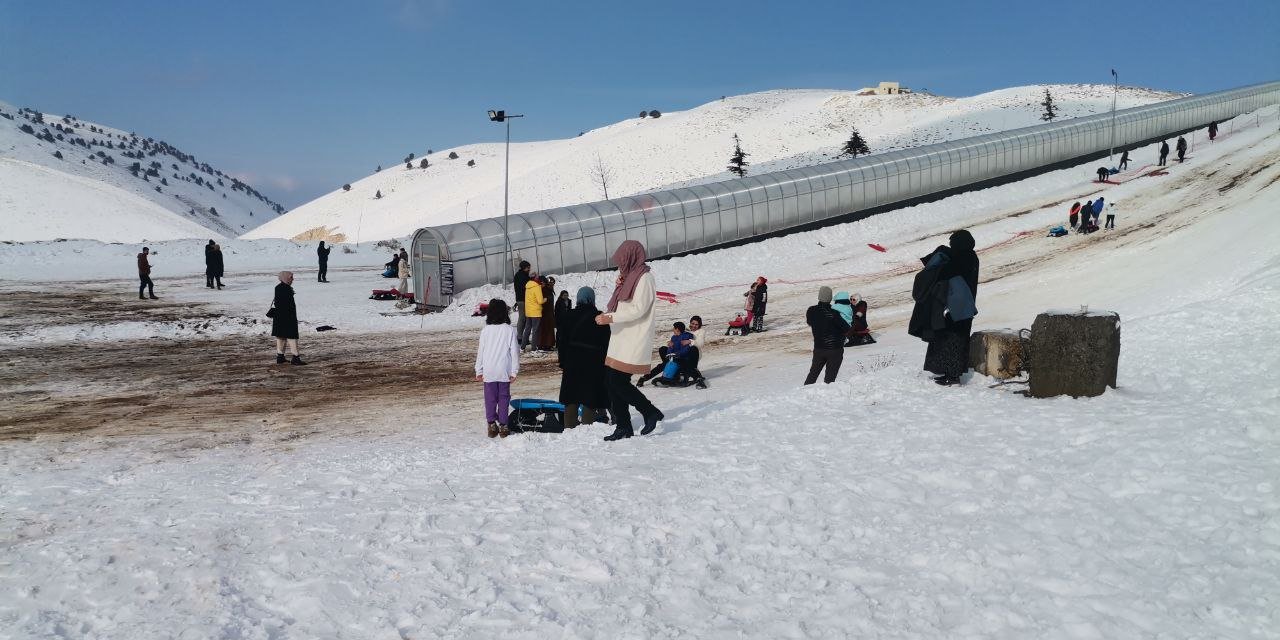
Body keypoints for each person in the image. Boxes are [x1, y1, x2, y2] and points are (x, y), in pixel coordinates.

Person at [595, 240, 663, 440]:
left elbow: (638, 309)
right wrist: (620, 284)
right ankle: (623, 426)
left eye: (621, 261)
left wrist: (610, 318)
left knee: (618, 381)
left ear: (631, 257)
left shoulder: (645, 278)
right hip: (620, 337)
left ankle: (649, 411)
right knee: (610, 381)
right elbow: (622, 303)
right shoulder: (629, 277)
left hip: (634, 337)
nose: (619, 266)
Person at [912, 230, 979, 386]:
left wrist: (941, 255)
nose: (951, 246)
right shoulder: (968, 256)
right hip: (957, 307)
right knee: (948, 340)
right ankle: (948, 373)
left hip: (959, 308)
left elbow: (948, 271)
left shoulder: (966, 257)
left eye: (953, 243)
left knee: (955, 341)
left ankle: (953, 376)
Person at [558, 287, 611, 429]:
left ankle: (569, 427)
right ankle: (587, 427)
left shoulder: (568, 315)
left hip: (571, 360)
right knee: (590, 395)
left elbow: (561, 340)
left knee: (571, 395)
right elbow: (607, 341)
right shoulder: (599, 317)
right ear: (592, 298)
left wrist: (562, 361)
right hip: (593, 362)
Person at [475, 298, 520, 438]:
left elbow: (480, 351)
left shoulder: (486, 331)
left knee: (490, 399)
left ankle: (491, 424)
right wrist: (514, 371)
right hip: (504, 371)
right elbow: (514, 352)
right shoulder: (509, 330)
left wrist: (479, 369)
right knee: (503, 399)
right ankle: (503, 425)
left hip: (489, 370)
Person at [804, 286, 850, 385]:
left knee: (812, 375)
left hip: (819, 348)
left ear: (819, 296)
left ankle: (803, 395)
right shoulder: (834, 313)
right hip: (835, 349)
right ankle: (826, 398)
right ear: (830, 298)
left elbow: (810, 322)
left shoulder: (811, 311)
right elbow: (846, 328)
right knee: (829, 380)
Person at [271, 271, 305, 365]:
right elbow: (286, 304)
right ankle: (295, 358)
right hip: (287, 317)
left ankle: (280, 356)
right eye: (291, 277)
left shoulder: (279, 287)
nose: (292, 279)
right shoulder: (285, 288)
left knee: (281, 336)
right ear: (285, 278)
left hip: (279, 317)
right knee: (292, 337)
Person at [520, 272, 545, 351]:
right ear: (535, 278)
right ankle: (534, 348)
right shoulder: (537, 287)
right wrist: (545, 299)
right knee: (535, 330)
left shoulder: (528, 286)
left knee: (527, 329)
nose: (538, 278)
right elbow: (540, 301)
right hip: (536, 312)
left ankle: (522, 347)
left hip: (529, 312)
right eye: (537, 277)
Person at [513, 260, 532, 346]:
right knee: (523, 318)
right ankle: (520, 337)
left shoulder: (522, 275)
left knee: (524, 318)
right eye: (528, 267)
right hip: (522, 300)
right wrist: (531, 279)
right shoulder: (521, 276)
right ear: (524, 267)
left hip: (523, 299)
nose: (529, 269)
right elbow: (525, 285)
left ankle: (523, 337)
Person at [537, 276, 557, 350]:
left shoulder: (548, 290)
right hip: (545, 312)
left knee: (547, 328)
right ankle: (545, 344)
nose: (552, 284)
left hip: (548, 312)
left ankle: (546, 344)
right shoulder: (545, 290)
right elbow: (543, 301)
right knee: (546, 328)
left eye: (553, 283)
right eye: (551, 283)